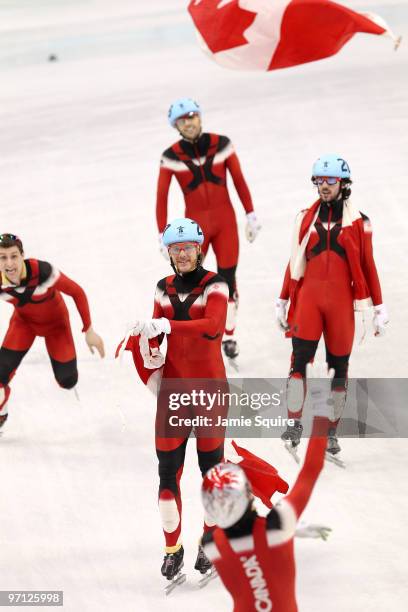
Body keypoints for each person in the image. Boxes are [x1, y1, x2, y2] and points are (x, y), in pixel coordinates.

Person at [127, 217, 229, 582]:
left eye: (188, 248)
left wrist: (169, 326)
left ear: (199, 250)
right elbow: (156, 331)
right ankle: (172, 549)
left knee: (211, 474)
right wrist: (148, 344)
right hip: (174, 392)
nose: (182, 254)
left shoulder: (215, 283)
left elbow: (214, 327)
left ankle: (211, 540)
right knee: (167, 474)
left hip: (210, 391)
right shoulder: (161, 287)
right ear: (168, 253)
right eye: (176, 249)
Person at [276, 154, 388, 455]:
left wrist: (379, 307)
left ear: (343, 183)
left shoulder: (360, 223)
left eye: (330, 181)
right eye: (320, 181)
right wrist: (282, 298)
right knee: (298, 363)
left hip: (340, 306)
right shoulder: (304, 218)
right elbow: (294, 261)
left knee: (339, 368)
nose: (324, 186)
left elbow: (368, 265)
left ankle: (331, 432)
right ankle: (294, 423)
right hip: (308, 304)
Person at [200, 363, 333, 612]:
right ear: (248, 495)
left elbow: (246, 548)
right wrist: (322, 412)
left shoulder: (212, 544)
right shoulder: (278, 527)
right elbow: (311, 470)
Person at [156, 98, 261, 361]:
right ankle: (201, 330)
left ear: (199, 118)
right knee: (195, 282)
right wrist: (161, 233)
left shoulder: (222, 144)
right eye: (182, 120)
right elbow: (161, 196)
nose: (188, 122)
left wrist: (251, 214)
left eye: (192, 116)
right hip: (194, 228)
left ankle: (229, 334)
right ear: (176, 126)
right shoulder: (169, 157)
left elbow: (239, 180)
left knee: (228, 279)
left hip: (225, 223)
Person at [0, 234, 105, 429]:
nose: (9, 264)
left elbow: (77, 292)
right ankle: (1, 409)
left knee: (68, 380)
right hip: (24, 324)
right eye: (2, 257)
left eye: (14, 256)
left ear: (23, 255)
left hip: (57, 326)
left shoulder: (43, 272)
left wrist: (88, 330)